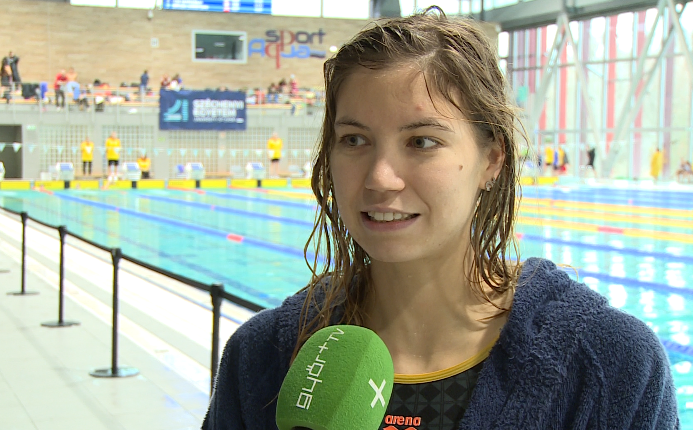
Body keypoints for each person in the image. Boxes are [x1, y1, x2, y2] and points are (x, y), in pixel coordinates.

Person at [202, 8, 678, 430]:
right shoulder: (261, 359)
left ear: (492, 159)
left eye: (422, 142)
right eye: (354, 140)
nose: (380, 178)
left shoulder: (610, 365)